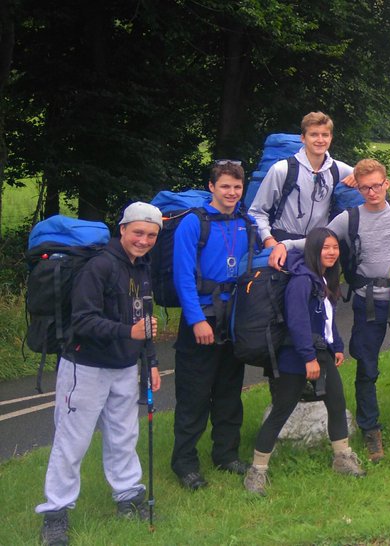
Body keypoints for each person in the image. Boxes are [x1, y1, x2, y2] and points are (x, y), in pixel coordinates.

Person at [267, 159, 390, 462]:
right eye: (365, 187)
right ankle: (370, 428)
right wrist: (284, 246)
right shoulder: (349, 219)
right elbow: (317, 240)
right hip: (366, 302)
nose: (372, 191)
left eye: (377, 185)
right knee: (367, 368)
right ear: (359, 188)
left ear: (386, 184)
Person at [36, 202, 163, 546]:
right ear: (122, 229)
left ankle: (127, 496)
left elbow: (145, 322)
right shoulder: (99, 266)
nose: (144, 240)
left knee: (124, 436)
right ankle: (55, 513)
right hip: (85, 367)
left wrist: (150, 361)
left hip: (124, 366)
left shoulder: (142, 268)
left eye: (151, 235)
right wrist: (129, 333)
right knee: (71, 442)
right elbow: (83, 320)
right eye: (138, 232)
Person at [244, 228, 363, 496]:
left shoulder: (323, 278)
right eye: (326, 248)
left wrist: (337, 347)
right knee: (282, 409)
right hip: (296, 356)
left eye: (335, 247)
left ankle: (342, 457)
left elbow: (327, 318)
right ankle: (257, 471)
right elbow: (297, 322)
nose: (332, 252)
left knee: (337, 402)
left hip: (321, 352)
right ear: (313, 249)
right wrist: (309, 358)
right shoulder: (301, 280)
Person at [170, 160, 259, 491]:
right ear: (211, 187)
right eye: (225, 186)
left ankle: (226, 454)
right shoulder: (194, 223)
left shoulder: (245, 221)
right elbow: (182, 276)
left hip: (233, 319)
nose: (232, 193)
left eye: (237, 187)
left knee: (228, 391)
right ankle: (185, 462)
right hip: (203, 318)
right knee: (194, 393)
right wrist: (195, 320)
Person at [249, 111, 353, 253]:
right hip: (283, 242)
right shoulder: (282, 169)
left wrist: (357, 176)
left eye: (325, 135)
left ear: (331, 138)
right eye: (314, 134)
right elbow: (257, 211)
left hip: (318, 244)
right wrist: (268, 238)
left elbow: (372, 177)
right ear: (303, 138)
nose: (320, 140)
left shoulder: (338, 169)